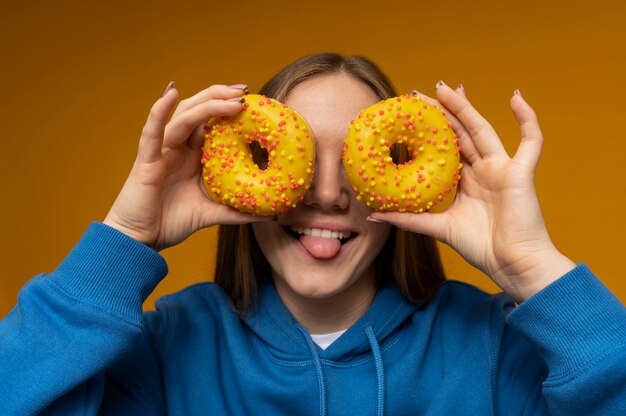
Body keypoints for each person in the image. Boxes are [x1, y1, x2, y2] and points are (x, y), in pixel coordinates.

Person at [1, 53, 625, 415]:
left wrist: (533, 265)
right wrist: (124, 237)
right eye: (299, 159)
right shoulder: (165, 353)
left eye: (354, 159)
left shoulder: (495, 353)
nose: (326, 193)